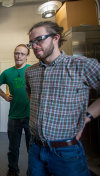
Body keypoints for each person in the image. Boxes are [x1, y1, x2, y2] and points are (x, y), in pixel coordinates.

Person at [25, 21, 100, 176]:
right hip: (36, 148)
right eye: (32, 42)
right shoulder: (30, 72)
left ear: (56, 38)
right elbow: (30, 94)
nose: (34, 46)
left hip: (67, 151)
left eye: (39, 39)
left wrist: (87, 116)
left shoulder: (82, 65)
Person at [0, 44, 31, 176]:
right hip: (14, 116)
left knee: (32, 148)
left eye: (22, 54)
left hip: (30, 117)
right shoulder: (7, 72)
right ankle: (13, 170)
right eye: (17, 53)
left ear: (27, 56)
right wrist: (4, 95)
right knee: (13, 148)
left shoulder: (31, 70)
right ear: (14, 54)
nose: (19, 56)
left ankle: (32, 171)